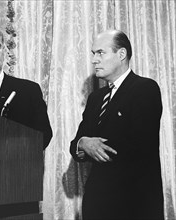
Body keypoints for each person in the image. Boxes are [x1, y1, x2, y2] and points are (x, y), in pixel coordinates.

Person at [70, 30, 164, 219]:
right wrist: (83, 143)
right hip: (97, 205)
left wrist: (94, 145)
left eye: (100, 53)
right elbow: (76, 145)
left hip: (134, 204)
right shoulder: (96, 98)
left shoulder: (145, 89)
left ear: (121, 54)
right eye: (93, 54)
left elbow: (139, 145)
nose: (94, 60)